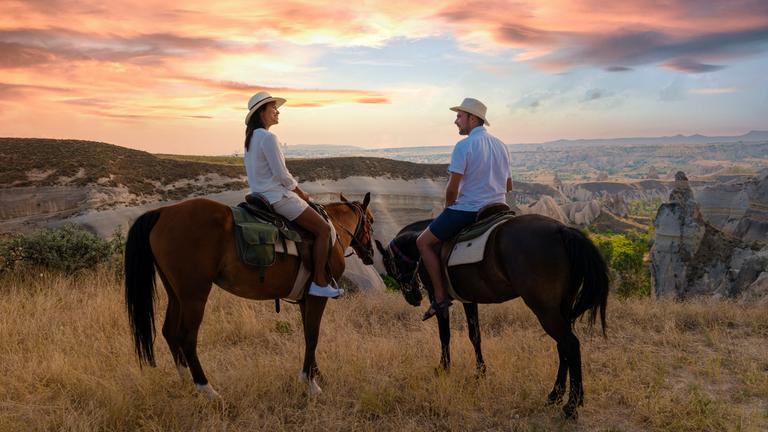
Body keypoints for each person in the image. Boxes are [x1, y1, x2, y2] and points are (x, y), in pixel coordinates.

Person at [416, 98, 511, 320]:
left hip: (470, 209)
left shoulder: (464, 146)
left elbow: (452, 188)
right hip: (499, 207)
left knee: (423, 242)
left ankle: (439, 297)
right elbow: (509, 186)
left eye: (460, 116)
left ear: (473, 118)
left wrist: (449, 209)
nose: (456, 121)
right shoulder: (501, 145)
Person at [243, 91, 343, 298]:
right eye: (273, 108)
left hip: (258, 196)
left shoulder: (250, 140)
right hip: (276, 197)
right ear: (262, 112)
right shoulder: (269, 137)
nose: (277, 112)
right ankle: (318, 281)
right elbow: (282, 175)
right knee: (323, 230)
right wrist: (301, 193)